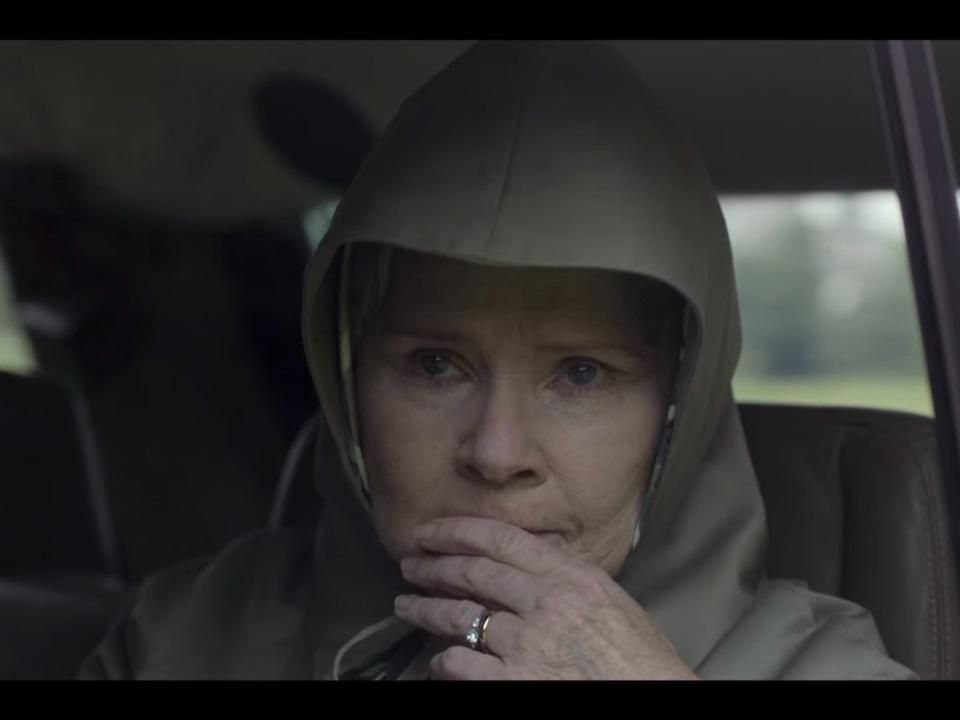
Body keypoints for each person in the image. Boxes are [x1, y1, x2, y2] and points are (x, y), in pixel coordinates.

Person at [78, 40, 915, 680]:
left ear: (677, 410)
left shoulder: (819, 662)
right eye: (435, 364)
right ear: (347, 382)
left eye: (582, 373)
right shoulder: (183, 637)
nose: (497, 452)